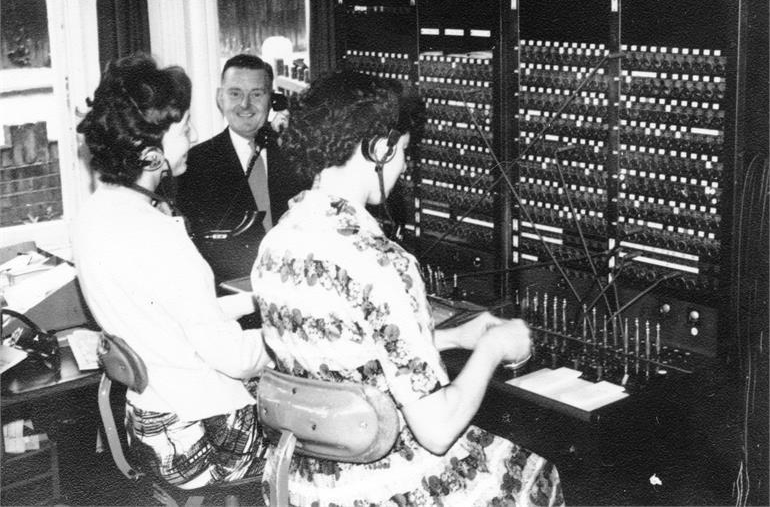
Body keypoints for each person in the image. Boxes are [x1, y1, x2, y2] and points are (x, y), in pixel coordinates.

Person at [250, 70, 565, 507]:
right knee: (540, 473)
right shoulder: (382, 262)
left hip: (302, 487)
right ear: (379, 149)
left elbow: (349, 356)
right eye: (402, 153)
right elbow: (436, 433)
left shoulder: (275, 244)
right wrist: (494, 345)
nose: (403, 166)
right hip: (382, 489)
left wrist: (453, 337)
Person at [72, 53, 269, 489]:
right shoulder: (159, 235)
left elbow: (168, 314)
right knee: (338, 436)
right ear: (149, 153)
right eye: (183, 129)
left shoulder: (92, 216)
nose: (194, 136)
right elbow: (235, 360)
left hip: (148, 428)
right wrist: (289, 333)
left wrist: (256, 303)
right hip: (206, 440)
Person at [175, 54, 302, 285]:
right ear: (219, 98)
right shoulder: (193, 165)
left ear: (272, 100)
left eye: (256, 94)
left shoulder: (295, 155)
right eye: (235, 93)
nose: (245, 104)